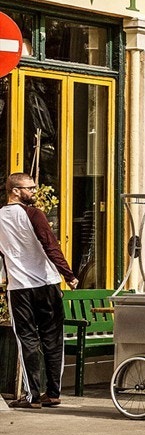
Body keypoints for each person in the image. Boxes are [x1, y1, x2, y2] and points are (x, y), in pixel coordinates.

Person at [0, 172, 77, 408]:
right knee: (52, 339)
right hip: (47, 284)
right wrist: (69, 274)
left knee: (27, 341)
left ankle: (33, 396)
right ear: (15, 191)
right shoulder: (35, 215)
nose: (34, 192)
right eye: (30, 188)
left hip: (20, 288)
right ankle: (52, 393)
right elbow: (50, 245)